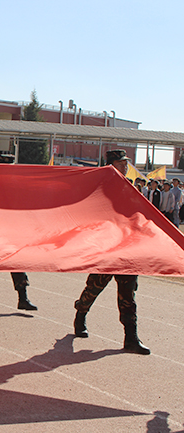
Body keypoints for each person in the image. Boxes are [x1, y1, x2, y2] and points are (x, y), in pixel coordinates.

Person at [73, 149, 150, 355]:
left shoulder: (131, 188)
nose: (126, 166)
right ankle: (81, 313)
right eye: (121, 162)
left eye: (126, 162)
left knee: (128, 295)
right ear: (111, 164)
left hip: (127, 248)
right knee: (94, 287)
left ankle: (131, 338)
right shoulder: (99, 188)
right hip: (107, 248)